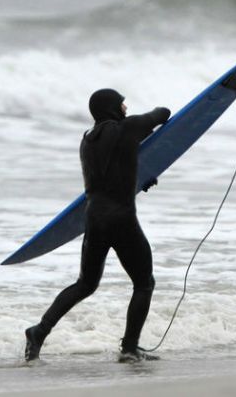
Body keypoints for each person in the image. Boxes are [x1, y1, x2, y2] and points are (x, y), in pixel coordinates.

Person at [24, 88, 171, 363]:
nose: (126, 108)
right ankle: (129, 348)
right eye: (122, 104)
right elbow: (162, 114)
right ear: (113, 108)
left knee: (86, 284)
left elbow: (110, 174)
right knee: (144, 283)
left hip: (94, 219)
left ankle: (39, 331)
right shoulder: (127, 128)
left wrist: (141, 178)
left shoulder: (87, 141)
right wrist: (140, 123)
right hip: (122, 219)